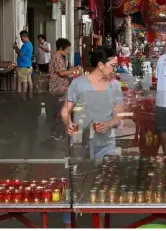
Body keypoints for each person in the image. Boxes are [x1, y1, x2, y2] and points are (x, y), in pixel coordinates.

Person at [61, 47, 122, 228]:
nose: (115, 69)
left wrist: (109, 124)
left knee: (103, 184)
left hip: (107, 143)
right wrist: (68, 124)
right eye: (113, 65)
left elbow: (119, 116)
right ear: (101, 65)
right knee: (76, 184)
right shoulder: (78, 84)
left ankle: (101, 223)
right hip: (81, 143)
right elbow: (65, 111)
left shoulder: (115, 86)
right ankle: (69, 223)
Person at [49, 38, 80, 139]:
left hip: (61, 87)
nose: (67, 52)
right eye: (66, 49)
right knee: (62, 110)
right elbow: (61, 73)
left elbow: (62, 70)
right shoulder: (57, 57)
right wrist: (73, 72)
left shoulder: (58, 57)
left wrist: (72, 69)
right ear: (61, 48)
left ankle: (61, 130)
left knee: (61, 108)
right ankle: (60, 132)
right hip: (58, 87)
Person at [13, 30, 34, 101]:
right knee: (29, 81)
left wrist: (16, 47)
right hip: (28, 65)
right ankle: (30, 95)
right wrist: (17, 49)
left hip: (23, 66)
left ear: (24, 37)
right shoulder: (30, 44)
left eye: (21, 37)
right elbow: (21, 53)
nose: (21, 39)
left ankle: (23, 97)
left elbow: (21, 54)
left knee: (24, 82)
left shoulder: (25, 45)